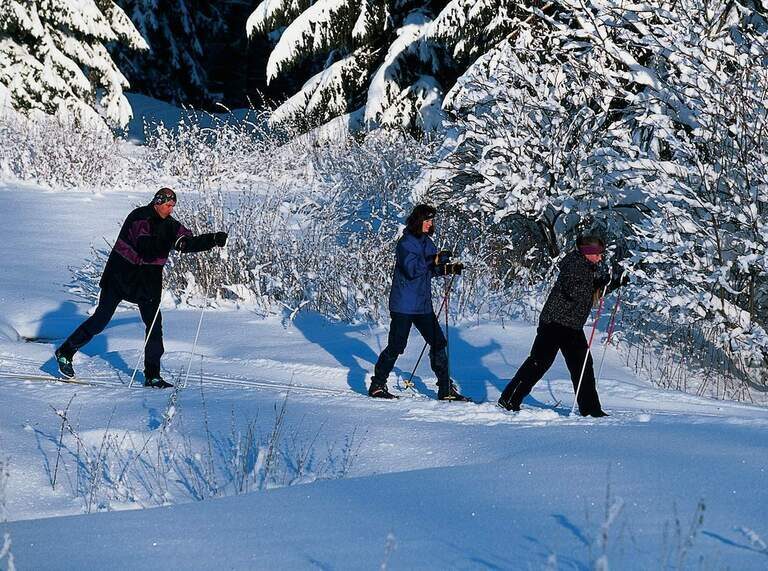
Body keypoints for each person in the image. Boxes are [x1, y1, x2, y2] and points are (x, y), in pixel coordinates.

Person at [54, 188, 228, 388]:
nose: (170, 210)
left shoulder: (171, 225)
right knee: (100, 320)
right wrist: (171, 241)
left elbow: (186, 242)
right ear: (157, 202)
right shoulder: (139, 218)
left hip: (147, 282)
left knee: (154, 326)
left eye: (173, 206)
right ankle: (65, 352)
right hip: (119, 277)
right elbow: (147, 246)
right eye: (167, 205)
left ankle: (152, 376)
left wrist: (212, 240)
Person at [497, 234, 618, 416]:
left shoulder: (586, 267)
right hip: (555, 323)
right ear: (588, 252)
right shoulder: (574, 265)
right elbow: (574, 291)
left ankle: (591, 409)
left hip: (570, 325)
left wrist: (611, 283)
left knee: (582, 365)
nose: (600, 258)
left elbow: (585, 294)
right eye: (598, 254)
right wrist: (597, 283)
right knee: (539, 362)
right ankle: (509, 398)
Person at [368, 204, 470, 401]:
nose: (430, 224)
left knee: (438, 342)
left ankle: (445, 389)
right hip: (404, 305)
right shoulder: (405, 243)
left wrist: (448, 268)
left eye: (432, 221)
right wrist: (434, 260)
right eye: (427, 220)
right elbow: (412, 269)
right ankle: (377, 385)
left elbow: (430, 270)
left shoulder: (427, 242)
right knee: (397, 346)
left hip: (422, 305)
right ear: (418, 220)